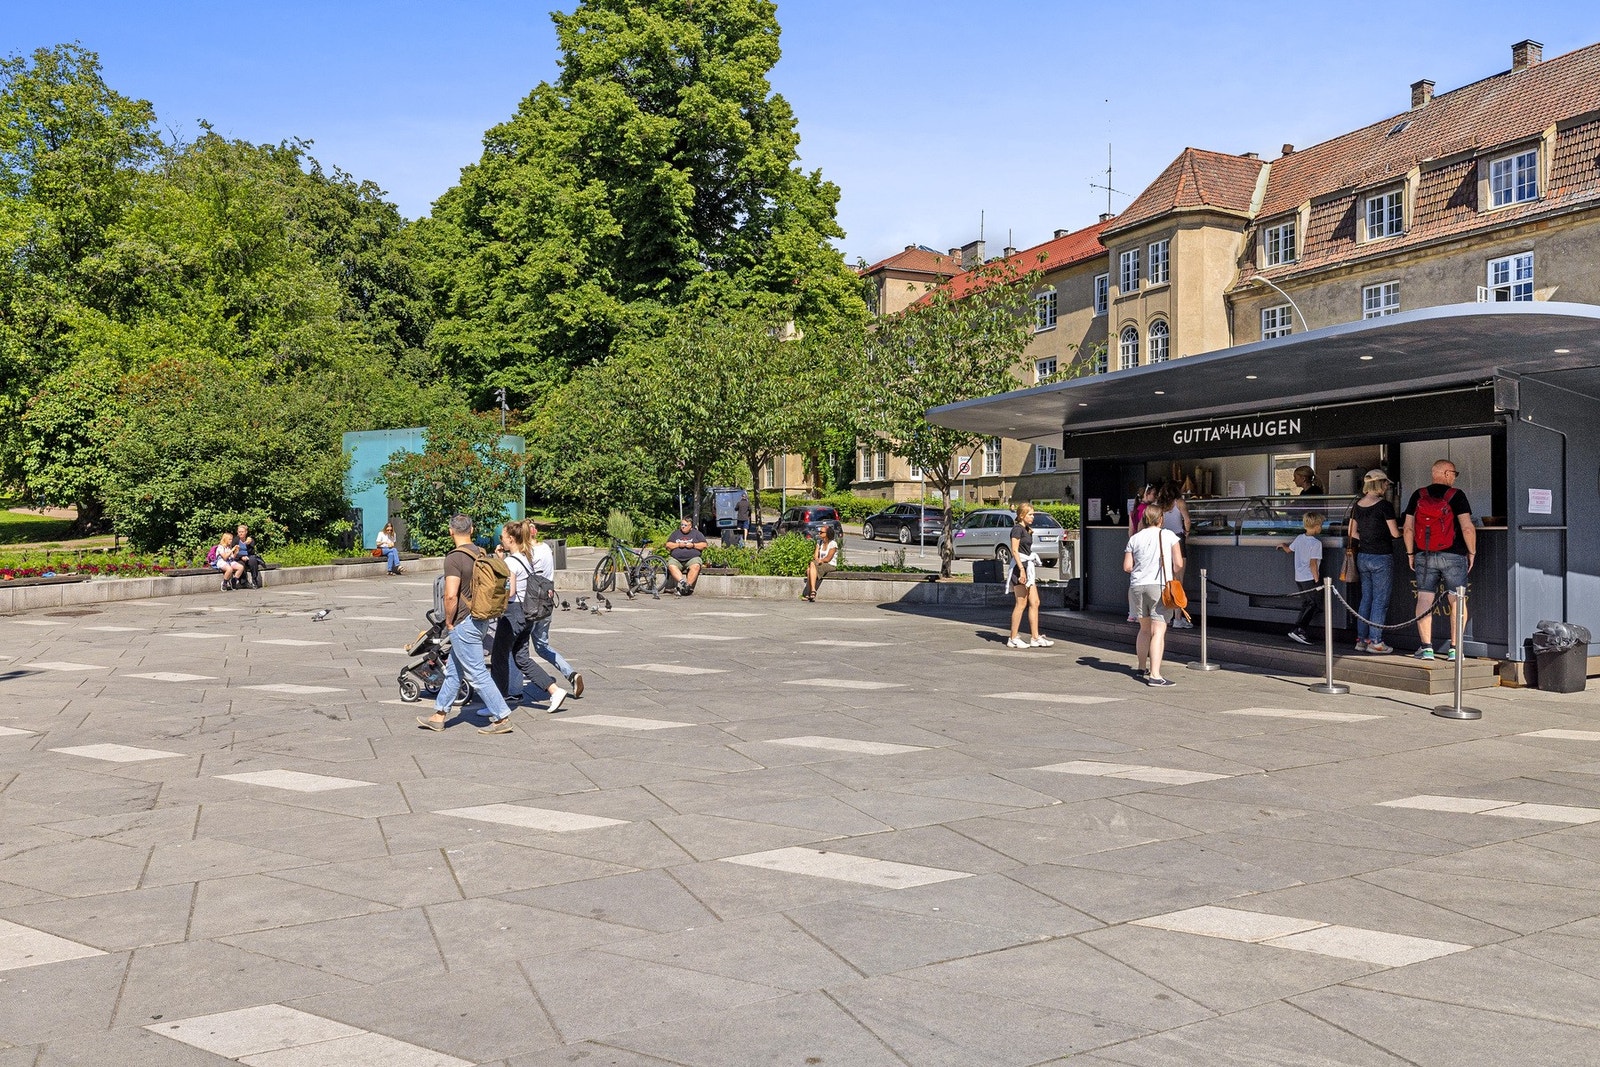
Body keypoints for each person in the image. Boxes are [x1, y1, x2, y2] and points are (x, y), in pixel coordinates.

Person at [416, 514, 519, 735]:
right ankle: (439, 715)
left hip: (463, 623)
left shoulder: (454, 558)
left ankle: (502, 717)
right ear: (471, 530)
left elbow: (450, 595)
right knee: (455, 671)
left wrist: (449, 621)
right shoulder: (480, 553)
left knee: (477, 673)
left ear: (450, 531)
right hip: (481, 618)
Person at [489, 521, 568, 714]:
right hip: (527, 614)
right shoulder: (526, 557)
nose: (501, 540)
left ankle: (496, 705)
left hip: (513, 613)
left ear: (510, 539)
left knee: (499, 657)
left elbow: (510, 591)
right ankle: (554, 690)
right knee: (521, 657)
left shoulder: (510, 562)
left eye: (502, 536)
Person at [1402, 459, 1475, 661]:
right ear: (1445, 473)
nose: (1454, 478)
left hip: (1424, 554)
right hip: (1454, 555)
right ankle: (1455, 649)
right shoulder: (1456, 495)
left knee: (1424, 598)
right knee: (1457, 599)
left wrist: (1410, 553)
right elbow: (1467, 528)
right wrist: (1472, 552)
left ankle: (1426, 648)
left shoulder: (1418, 495)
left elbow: (1407, 528)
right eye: (1454, 474)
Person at [1124, 506, 1182, 686]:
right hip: (1159, 586)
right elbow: (1178, 564)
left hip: (1137, 586)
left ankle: (1142, 667)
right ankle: (1155, 675)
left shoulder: (1134, 538)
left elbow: (1127, 567)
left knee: (1144, 629)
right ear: (1161, 519)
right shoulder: (1169, 536)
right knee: (1158, 631)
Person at [1348, 470, 1400, 654]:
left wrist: (1366, 539)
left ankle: (1361, 640)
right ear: (1379, 484)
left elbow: (1351, 532)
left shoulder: (1357, 505)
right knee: (1380, 601)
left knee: (1366, 599)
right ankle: (1376, 642)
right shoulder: (1384, 505)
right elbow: (1395, 533)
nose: (1387, 486)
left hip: (1363, 556)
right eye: (1386, 483)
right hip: (1381, 557)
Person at [529, 521, 582, 697]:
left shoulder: (528, 553)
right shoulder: (545, 548)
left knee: (518, 649)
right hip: (547, 601)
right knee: (542, 646)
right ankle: (571, 673)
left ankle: (513, 690)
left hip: (530, 604)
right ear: (536, 532)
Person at [1005, 503, 1053, 649]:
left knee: (1035, 602)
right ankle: (1013, 638)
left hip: (1028, 566)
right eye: (1030, 514)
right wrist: (1021, 569)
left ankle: (1035, 637)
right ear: (1021, 515)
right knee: (1021, 603)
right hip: (1020, 567)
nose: (1033, 517)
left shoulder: (1026, 530)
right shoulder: (1017, 529)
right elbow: (1014, 550)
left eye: (1033, 514)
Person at [1279, 512, 1326, 645]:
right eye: (1321, 525)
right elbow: (1313, 564)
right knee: (1314, 604)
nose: (1321, 527)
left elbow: (1289, 550)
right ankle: (1300, 630)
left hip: (1299, 578)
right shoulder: (1316, 543)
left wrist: (1283, 545)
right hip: (1309, 578)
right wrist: (1317, 580)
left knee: (1306, 603)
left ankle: (1297, 628)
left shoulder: (1299, 538)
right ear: (1316, 526)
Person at [1157, 481, 1193, 628]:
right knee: (1179, 580)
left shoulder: (1159, 505)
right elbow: (1187, 521)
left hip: (1163, 540)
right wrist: (1187, 532)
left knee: (1167, 580)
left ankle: (1166, 615)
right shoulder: (1180, 503)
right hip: (1178, 539)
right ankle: (1178, 618)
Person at [664, 517, 708, 594]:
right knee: (671, 565)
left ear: (690, 526)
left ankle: (687, 586)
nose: (683, 527)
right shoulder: (676, 533)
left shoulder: (697, 533)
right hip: (676, 559)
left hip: (692, 559)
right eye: (682, 525)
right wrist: (678, 545)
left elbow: (704, 545)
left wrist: (693, 545)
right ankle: (682, 583)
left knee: (696, 565)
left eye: (685, 525)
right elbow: (668, 545)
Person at [803, 525, 838, 602]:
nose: (819, 533)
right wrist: (818, 559)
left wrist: (821, 561)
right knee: (810, 568)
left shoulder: (833, 544)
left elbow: (828, 558)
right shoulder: (819, 543)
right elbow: (815, 556)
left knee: (811, 566)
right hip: (820, 564)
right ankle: (812, 592)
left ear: (827, 534)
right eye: (819, 532)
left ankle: (810, 592)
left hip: (830, 564)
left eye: (821, 532)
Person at [234, 524, 263, 589]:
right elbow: (233, 552)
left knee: (253, 560)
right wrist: (241, 557)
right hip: (239, 557)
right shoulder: (235, 540)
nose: (241, 533)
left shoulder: (250, 540)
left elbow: (252, 552)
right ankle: (244, 582)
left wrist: (248, 544)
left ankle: (254, 580)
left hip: (249, 556)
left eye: (242, 532)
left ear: (246, 532)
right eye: (239, 532)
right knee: (240, 564)